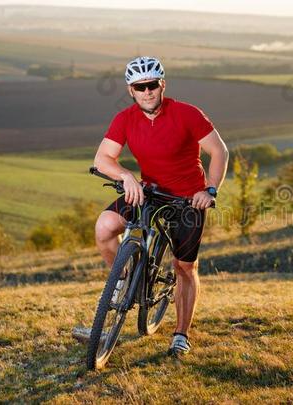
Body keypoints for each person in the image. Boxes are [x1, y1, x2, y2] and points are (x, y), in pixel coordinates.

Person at [93, 56, 229, 356]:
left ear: (162, 84)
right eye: (140, 87)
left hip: (188, 197)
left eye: (152, 84)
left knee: (184, 267)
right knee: (104, 228)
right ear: (131, 90)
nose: (147, 92)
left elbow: (219, 152)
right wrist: (126, 176)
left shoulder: (188, 114)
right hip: (149, 191)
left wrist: (210, 190)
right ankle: (126, 279)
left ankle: (181, 334)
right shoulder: (125, 119)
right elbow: (102, 159)